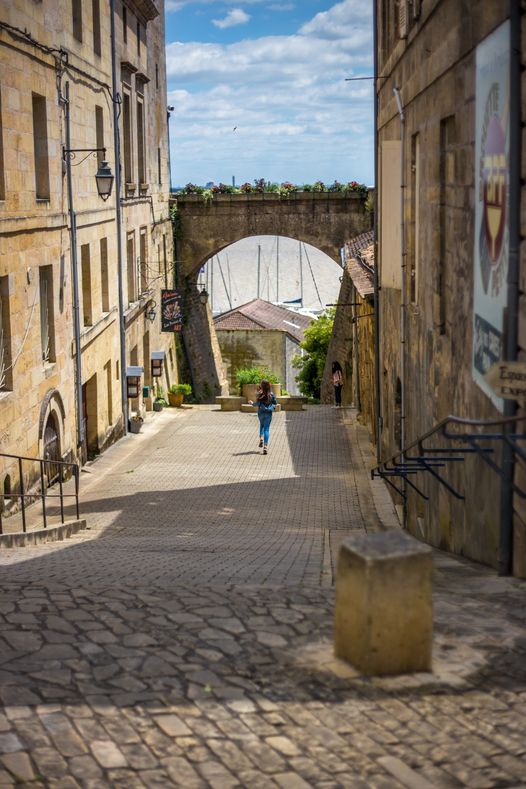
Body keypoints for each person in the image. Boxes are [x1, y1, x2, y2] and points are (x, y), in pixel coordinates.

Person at [249, 379, 276, 455]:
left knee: (262, 425)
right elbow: (275, 403)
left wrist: (251, 403)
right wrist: (273, 407)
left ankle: (261, 437)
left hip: (261, 412)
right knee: (267, 429)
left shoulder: (260, 394)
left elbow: (257, 404)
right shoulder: (271, 394)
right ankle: (265, 446)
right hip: (269, 413)